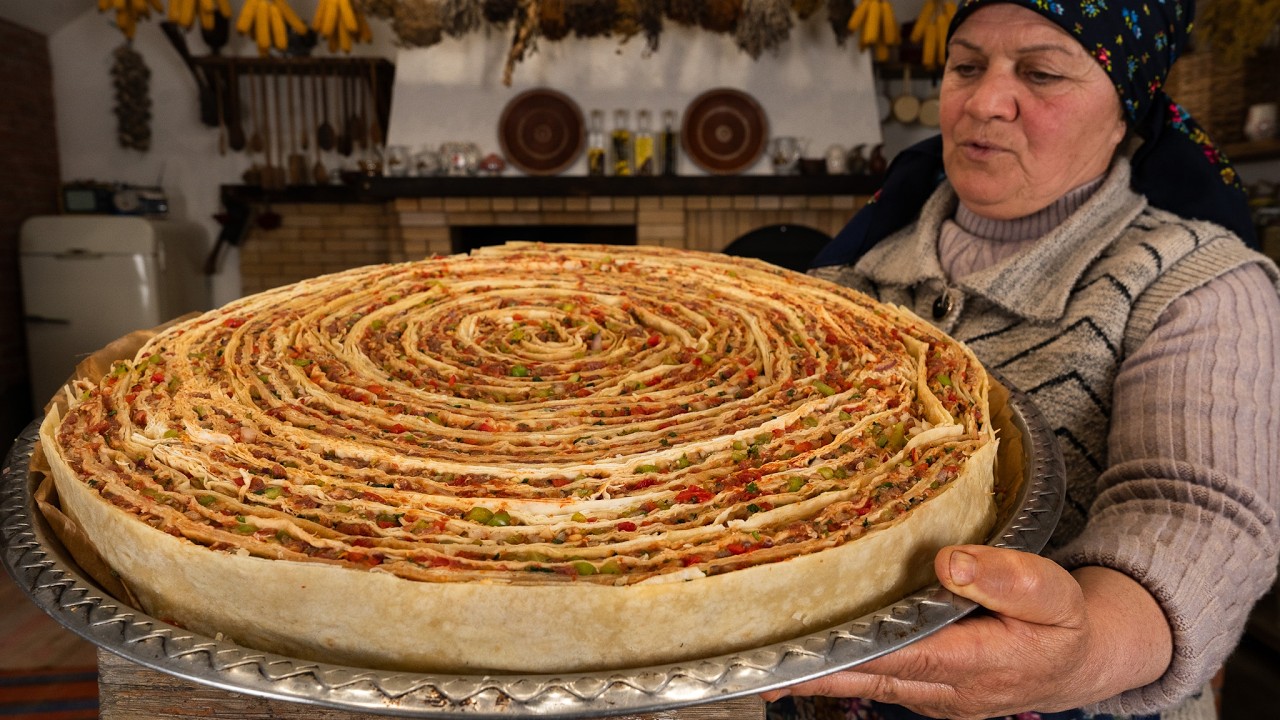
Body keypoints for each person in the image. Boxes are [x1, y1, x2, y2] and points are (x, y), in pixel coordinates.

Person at [762, 0, 1280, 718]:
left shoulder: (1197, 285)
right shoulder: (853, 284)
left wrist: (1090, 645)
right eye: (966, 66)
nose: (985, 102)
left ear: (1125, 110)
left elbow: (1196, 513)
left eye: (1039, 73)